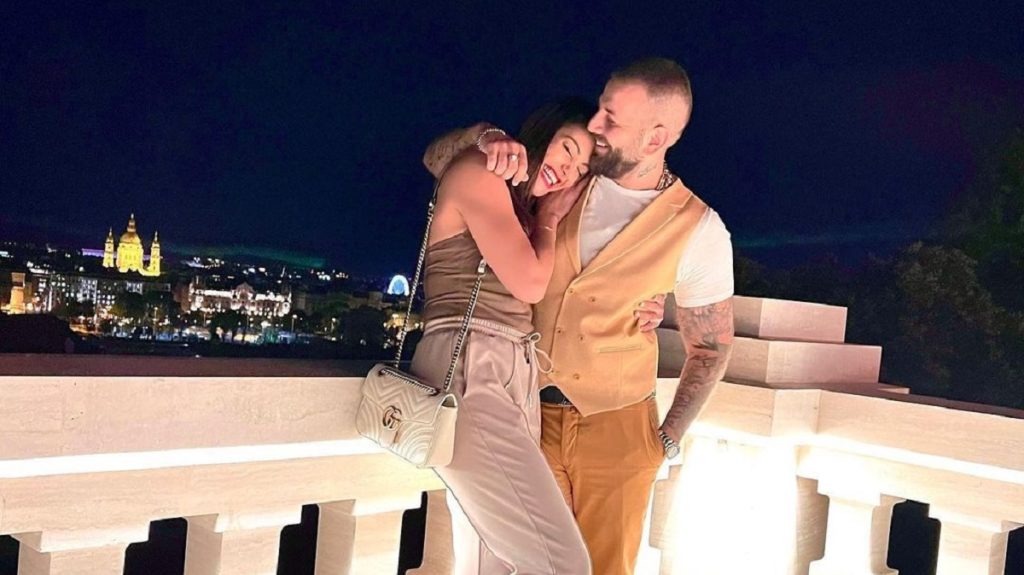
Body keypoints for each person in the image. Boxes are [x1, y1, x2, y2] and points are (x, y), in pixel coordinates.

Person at [423, 57, 735, 575]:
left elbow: (712, 347)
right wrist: (485, 135)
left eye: (611, 117)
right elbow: (441, 162)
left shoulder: (700, 228)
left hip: (618, 428)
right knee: (520, 562)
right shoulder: (560, 183)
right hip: (526, 407)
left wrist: (665, 440)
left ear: (656, 138)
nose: (595, 124)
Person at [409, 98, 597, 575]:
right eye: (567, 148)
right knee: (563, 563)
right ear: (541, 133)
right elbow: (530, 283)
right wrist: (549, 218)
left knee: (490, 560)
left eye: (581, 168)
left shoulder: (517, 208)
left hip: (505, 370)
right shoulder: (481, 172)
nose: (568, 170)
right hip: (471, 363)